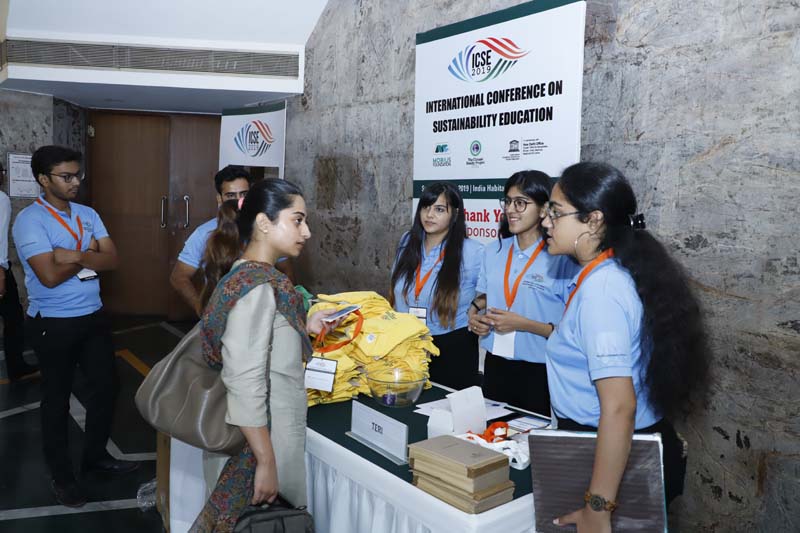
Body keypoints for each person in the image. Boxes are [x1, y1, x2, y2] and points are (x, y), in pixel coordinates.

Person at [542, 162, 709, 531]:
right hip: (612, 447)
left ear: (593, 221)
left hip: (611, 457)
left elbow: (619, 407)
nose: (546, 222)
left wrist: (598, 507)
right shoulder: (608, 273)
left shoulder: (602, 291)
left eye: (555, 212)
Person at [190, 179, 335, 532]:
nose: (307, 232)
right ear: (263, 223)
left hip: (251, 443)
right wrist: (267, 462)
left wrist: (304, 324)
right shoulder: (257, 287)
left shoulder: (248, 276)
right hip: (254, 451)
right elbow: (244, 380)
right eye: (297, 220)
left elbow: (262, 340)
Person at [11, 146, 138, 508]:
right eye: (66, 176)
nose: (75, 182)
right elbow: (49, 276)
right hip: (53, 322)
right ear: (43, 179)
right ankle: (62, 477)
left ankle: (95, 457)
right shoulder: (30, 221)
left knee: (107, 387)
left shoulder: (88, 214)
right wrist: (89, 253)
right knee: (57, 399)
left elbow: (112, 259)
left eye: (77, 175)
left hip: (92, 316)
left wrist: (76, 254)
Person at [467, 171, 579, 414]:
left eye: (520, 203)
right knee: (493, 432)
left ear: (543, 209)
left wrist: (523, 324)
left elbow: (572, 332)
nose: (510, 209)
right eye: (508, 201)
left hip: (541, 370)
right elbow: (487, 298)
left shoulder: (561, 258)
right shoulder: (492, 251)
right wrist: (477, 319)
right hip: (495, 365)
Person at [389, 182, 483, 389]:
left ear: (455, 214)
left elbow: (493, 293)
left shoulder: (473, 251)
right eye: (426, 207)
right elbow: (395, 289)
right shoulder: (407, 241)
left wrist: (476, 307)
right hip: (408, 341)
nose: (429, 215)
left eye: (439, 209)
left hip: (452, 345)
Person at [170, 165, 295, 316]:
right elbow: (179, 277)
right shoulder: (204, 234)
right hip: (221, 315)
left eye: (244, 194)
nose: (238, 201)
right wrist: (202, 310)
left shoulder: (267, 229)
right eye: (230, 195)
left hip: (263, 313)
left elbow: (286, 271)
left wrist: (284, 308)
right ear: (219, 199)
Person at [0, 162, 38, 381]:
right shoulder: (1, 199)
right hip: (0, 271)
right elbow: (0, 237)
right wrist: (1, 272)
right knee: (13, 319)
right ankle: (16, 367)